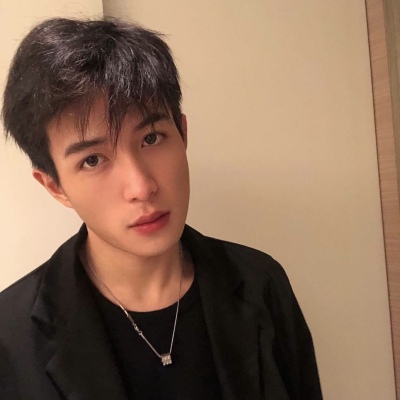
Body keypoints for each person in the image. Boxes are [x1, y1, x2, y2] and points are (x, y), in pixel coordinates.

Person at [0, 17, 323, 400]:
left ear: (182, 133)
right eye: (92, 160)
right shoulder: (10, 334)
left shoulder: (260, 283)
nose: (141, 187)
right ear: (55, 186)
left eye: (151, 138)